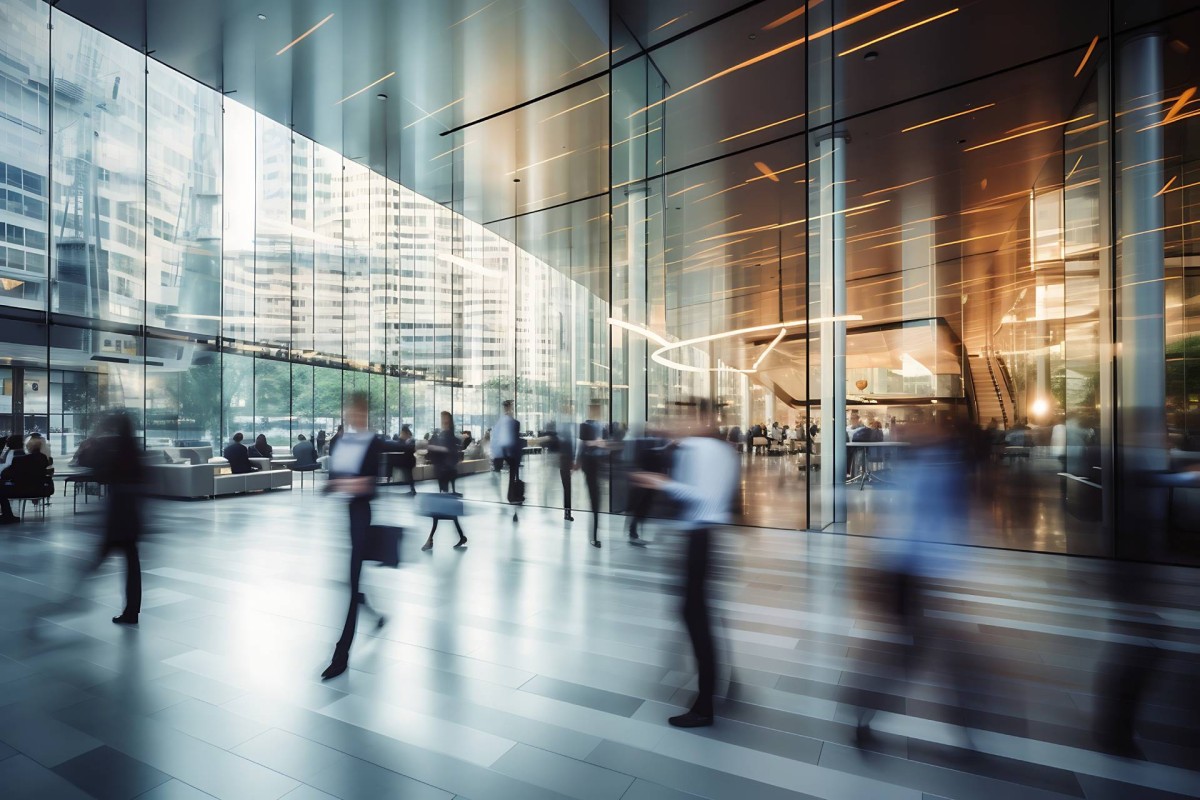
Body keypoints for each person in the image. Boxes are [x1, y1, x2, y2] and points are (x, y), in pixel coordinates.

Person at [631, 400, 739, 728]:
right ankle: (720, 683)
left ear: (702, 419)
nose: (677, 422)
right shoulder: (721, 449)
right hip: (704, 537)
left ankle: (705, 703)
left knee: (697, 619)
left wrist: (660, 482)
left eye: (685, 417)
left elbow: (703, 497)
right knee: (698, 615)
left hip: (700, 540)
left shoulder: (700, 449)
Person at [321, 392, 396, 680]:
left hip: (363, 516)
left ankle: (342, 654)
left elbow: (368, 486)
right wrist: (345, 483)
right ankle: (376, 615)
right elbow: (332, 482)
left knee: (352, 582)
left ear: (366, 413)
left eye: (359, 410)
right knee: (352, 580)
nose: (354, 414)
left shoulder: (372, 442)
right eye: (351, 410)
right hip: (347, 516)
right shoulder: (340, 441)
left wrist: (344, 483)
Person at [92, 411, 146, 625]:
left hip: (117, 518)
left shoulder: (115, 451)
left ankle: (68, 603)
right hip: (131, 517)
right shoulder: (133, 450)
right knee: (133, 566)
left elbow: (100, 474)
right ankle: (132, 611)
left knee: (93, 565)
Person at [422, 411, 466, 550]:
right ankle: (460, 536)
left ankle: (430, 539)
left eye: (445, 420)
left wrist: (434, 448)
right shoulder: (443, 435)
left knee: (440, 509)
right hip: (444, 474)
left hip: (446, 474)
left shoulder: (448, 436)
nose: (443, 422)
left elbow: (447, 452)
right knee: (445, 509)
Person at [0, 435, 51, 525]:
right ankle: (8, 515)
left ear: (28, 446)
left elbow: (5, 475)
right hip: (39, 489)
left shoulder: (19, 460)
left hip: (21, 490)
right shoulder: (43, 459)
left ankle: (7, 515)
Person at [577, 404, 607, 548]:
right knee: (594, 499)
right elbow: (584, 444)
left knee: (597, 500)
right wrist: (597, 443)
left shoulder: (602, 426)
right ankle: (594, 536)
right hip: (590, 466)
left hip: (599, 465)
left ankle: (594, 534)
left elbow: (604, 444)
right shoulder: (585, 425)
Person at [490, 400, 522, 521]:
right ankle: (508, 498)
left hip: (509, 453)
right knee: (503, 476)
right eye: (509, 407)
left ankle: (510, 497)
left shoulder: (512, 423)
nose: (510, 409)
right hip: (503, 453)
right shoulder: (503, 423)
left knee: (512, 476)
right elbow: (497, 438)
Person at [550, 410, 577, 522]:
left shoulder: (563, 430)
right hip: (564, 462)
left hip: (564, 462)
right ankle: (567, 512)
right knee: (567, 488)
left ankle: (567, 512)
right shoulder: (566, 431)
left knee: (567, 488)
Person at [396, 425, 417, 495]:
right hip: (408, 460)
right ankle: (412, 489)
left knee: (408, 475)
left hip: (408, 461)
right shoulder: (409, 440)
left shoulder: (409, 441)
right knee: (408, 475)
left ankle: (412, 489)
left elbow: (410, 449)